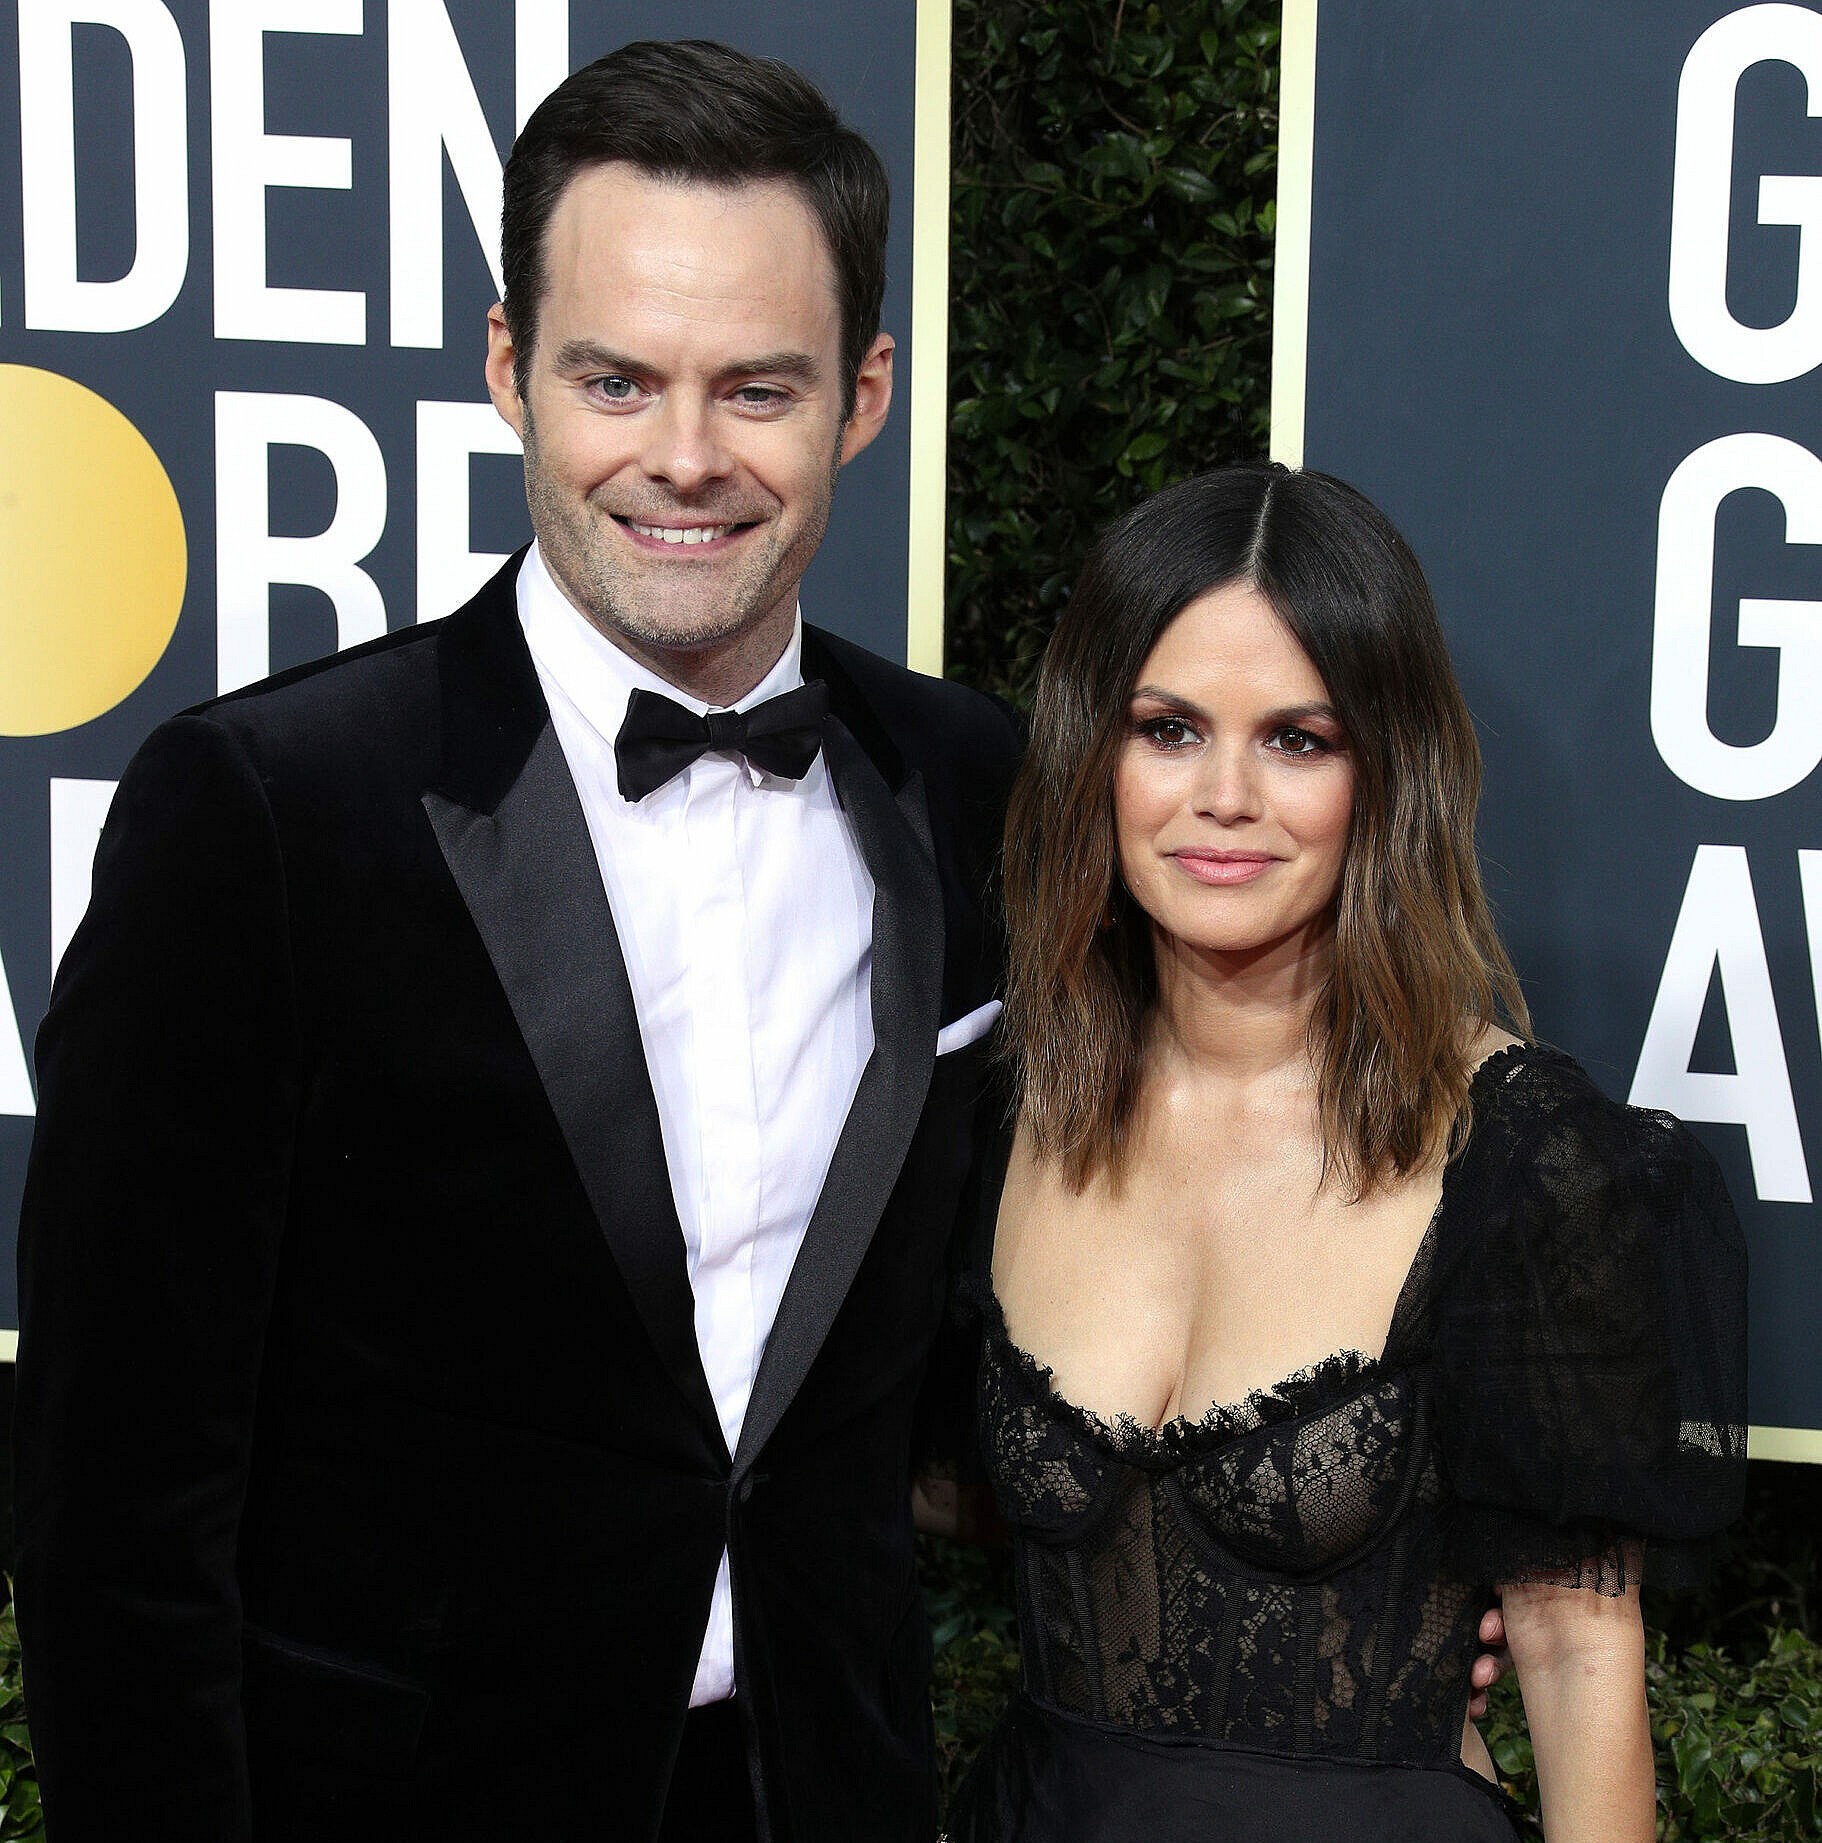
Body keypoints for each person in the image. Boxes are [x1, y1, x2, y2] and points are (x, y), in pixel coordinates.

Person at [13, 40, 1020, 1843]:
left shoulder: (968, 786)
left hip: (819, 1790)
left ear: (865, 396)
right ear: (507, 371)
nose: (686, 459)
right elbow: (116, 1508)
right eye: (615, 381)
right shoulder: (263, 811)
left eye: (759, 389)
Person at [948, 463, 1748, 1842]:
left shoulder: (1523, 1158)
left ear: (1386, 769)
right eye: (1167, 727)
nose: (1224, 796)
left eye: (1298, 739)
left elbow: (1571, 1654)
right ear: (1095, 750)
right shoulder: (998, 1106)